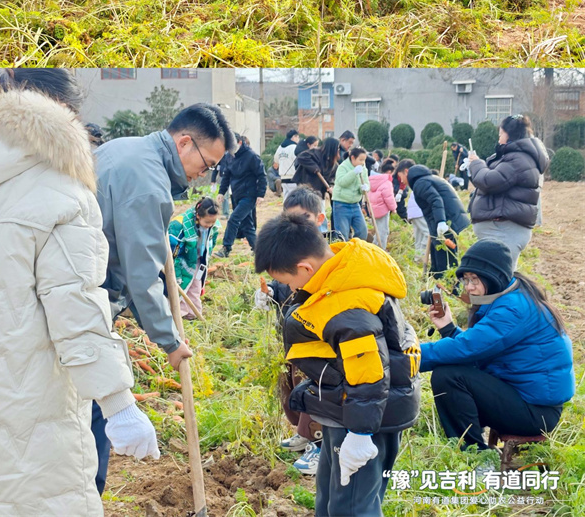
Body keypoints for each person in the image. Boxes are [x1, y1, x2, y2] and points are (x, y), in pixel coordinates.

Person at [0, 70, 159, 517]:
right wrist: (119, 404)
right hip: (25, 410)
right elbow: (76, 307)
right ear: (63, 115)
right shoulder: (57, 188)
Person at [95, 103, 233, 488]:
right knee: (88, 416)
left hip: (75, 288)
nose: (203, 175)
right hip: (83, 293)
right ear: (185, 142)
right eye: (205, 165)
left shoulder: (128, 149)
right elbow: (142, 275)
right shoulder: (147, 182)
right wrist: (170, 341)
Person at [254, 213, 421, 516]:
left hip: (364, 418)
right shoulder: (336, 278)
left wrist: (360, 434)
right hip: (343, 409)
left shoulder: (346, 307)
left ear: (305, 267)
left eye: (287, 282)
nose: (290, 290)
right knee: (331, 500)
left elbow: (369, 374)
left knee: (353, 507)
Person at [420, 239, 575, 474]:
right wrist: (449, 329)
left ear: (493, 277)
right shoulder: (511, 297)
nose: (468, 287)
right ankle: (475, 450)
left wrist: (409, 355)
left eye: (474, 279)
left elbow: (469, 348)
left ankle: (480, 458)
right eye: (465, 279)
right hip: (526, 399)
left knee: (448, 376)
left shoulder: (512, 308)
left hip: (536, 412)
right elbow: (481, 349)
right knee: (452, 372)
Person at [255, 188, 345, 476]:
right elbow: (286, 287)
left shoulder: (326, 255)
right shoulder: (288, 254)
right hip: (294, 331)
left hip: (319, 338)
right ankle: (305, 434)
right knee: (293, 383)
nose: (295, 226)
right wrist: (269, 295)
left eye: (303, 219)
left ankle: (318, 444)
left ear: (319, 219)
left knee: (317, 386)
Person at [468, 114, 549, 270]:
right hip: (502, 231)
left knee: (499, 278)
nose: (499, 139)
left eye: (500, 134)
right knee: (496, 276)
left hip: (504, 231)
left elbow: (489, 182)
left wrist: (477, 164)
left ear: (509, 135)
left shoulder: (518, 160)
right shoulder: (517, 157)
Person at [395, 159, 470, 277]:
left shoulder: (420, 183)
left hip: (447, 220)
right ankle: (435, 277)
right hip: (444, 219)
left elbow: (436, 200)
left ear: (406, 172)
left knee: (445, 257)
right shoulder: (424, 180)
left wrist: (441, 222)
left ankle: (448, 284)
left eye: (401, 177)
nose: (402, 181)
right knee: (437, 252)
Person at [216, 133, 267, 257]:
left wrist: (261, 194)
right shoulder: (229, 157)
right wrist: (221, 192)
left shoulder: (251, 156)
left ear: (239, 142)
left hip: (249, 195)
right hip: (236, 194)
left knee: (233, 219)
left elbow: (262, 175)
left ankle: (226, 248)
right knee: (247, 224)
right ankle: (257, 249)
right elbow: (226, 176)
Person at [168, 196, 220, 318]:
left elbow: (211, 244)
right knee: (180, 286)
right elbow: (172, 254)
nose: (210, 225)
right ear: (198, 216)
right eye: (207, 222)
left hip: (197, 260)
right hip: (181, 261)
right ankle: (177, 315)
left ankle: (192, 315)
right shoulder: (179, 226)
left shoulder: (213, 226)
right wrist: (177, 274)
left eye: (213, 222)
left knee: (196, 286)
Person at [332, 146, 370, 240]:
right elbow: (342, 182)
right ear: (353, 157)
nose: (362, 162)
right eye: (360, 160)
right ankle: (343, 252)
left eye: (364, 160)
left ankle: (356, 250)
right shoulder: (343, 167)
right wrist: (354, 172)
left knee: (362, 231)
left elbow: (366, 184)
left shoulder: (363, 169)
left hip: (355, 204)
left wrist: (365, 188)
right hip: (341, 204)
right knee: (342, 234)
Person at [291, 135, 339, 206]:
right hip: (307, 187)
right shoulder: (314, 152)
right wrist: (314, 167)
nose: (338, 150)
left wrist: (331, 186)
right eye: (337, 148)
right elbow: (301, 157)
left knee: (320, 212)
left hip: (320, 192)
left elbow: (331, 177)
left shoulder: (333, 163)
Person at [367, 159, 397, 249]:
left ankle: (375, 246)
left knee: (378, 229)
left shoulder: (373, 181)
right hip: (382, 210)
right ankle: (380, 249)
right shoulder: (386, 182)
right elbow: (389, 198)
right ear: (389, 172)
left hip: (373, 209)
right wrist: (393, 208)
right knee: (383, 231)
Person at [273, 129, 300, 200]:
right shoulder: (295, 147)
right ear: (294, 137)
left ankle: (285, 211)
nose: (298, 139)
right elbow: (299, 160)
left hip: (283, 177)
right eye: (298, 137)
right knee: (294, 199)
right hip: (293, 176)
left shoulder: (280, 147)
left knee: (286, 198)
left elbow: (276, 160)